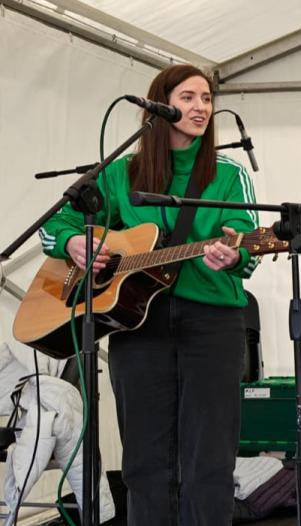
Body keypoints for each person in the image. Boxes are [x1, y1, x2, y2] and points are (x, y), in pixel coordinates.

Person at [38, 64, 260, 525]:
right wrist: (73, 243)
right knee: (143, 462)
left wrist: (234, 256)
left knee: (209, 460)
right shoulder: (120, 173)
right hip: (137, 325)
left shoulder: (227, 173)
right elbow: (52, 226)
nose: (201, 107)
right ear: (157, 105)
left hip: (212, 324)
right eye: (189, 97)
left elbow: (246, 242)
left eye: (206, 98)